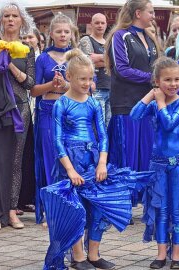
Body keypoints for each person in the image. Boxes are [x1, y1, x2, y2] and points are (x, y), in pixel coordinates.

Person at [43, 49, 133, 270]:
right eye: (82, 78)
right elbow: (57, 141)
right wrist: (70, 170)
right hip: (71, 161)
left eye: (90, 78)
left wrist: (102, 162)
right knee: (76, 209)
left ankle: (94, 254)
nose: (87, 83)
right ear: (69, 77)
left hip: (92, 160)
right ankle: (78, 257)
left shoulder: (93, 103)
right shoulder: (61, 104)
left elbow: (103, 135)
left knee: (98, 207)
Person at [130, 56, 179, 269]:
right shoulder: (155, 103)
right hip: (158, 164)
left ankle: (177, 255)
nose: (173, 84)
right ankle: (161, 254)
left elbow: (169, 124)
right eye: (167, 80)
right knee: (160, 209)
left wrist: (159, 101)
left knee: (177, 210)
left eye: (176, 79)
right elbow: (134, 116)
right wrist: (150, 95)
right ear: (157, 82)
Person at [0, 1, 35, 231]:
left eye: (15, 16)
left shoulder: (27, 48)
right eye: (7, 16)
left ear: (22, 21)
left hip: (19, 109)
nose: (11, 19)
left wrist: (10, 66)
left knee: (14, 163)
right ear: (2, 20)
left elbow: (31, 83)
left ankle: (11, 212)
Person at [104, 0, 159, 207]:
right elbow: (122, 69)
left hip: (147, 104)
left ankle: (145, 200)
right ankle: (121, 201)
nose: (153, 16)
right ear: (138, 13)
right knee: (125, 154)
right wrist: (151, 78)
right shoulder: (120, 36)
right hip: (125, 103)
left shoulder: (149, 37)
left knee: (146, 152)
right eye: (151, 12)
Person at [31, 13, 78, 224]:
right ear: (50, 34)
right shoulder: (42, 58)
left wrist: (68, 85)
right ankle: (52, 205)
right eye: (58, 31)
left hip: (71, 111)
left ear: (72, 33)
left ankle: (71, 200)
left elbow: (90, 85)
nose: (62, 35)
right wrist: (52, 85)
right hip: (48, 110)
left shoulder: (76, 57)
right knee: (51, 156)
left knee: (70, 156)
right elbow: (33, 90)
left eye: (66, 31)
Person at [79, 13, 112, 127]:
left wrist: (99, 58)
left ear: (106, 25)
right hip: (96, 88)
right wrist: (108, 59)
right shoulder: (86, 40)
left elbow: (116, 62)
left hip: (111, 88)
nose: (100, 25)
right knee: (98, 126)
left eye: (102, 23)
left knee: (108, 126)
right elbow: (86, 63)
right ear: (91, 24)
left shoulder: (109, 42)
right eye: (97, 23)